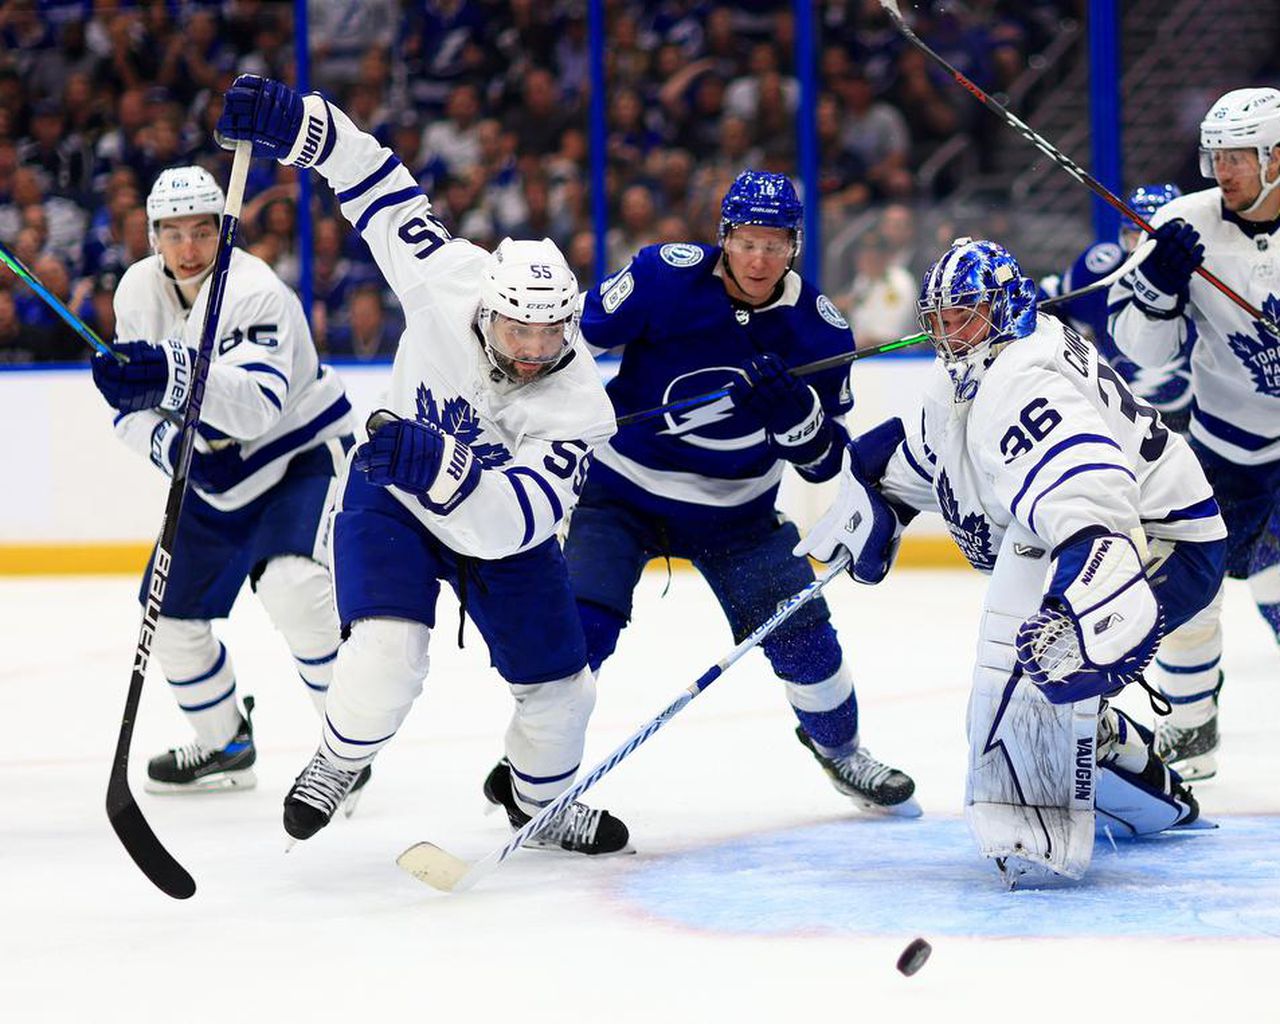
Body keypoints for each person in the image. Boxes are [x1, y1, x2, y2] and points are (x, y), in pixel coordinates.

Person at [215, 75, 630, 855]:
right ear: (489, 308)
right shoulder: (448, 278)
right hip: (392, 497)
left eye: (550, 334)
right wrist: (298, 123)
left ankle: (539, 806)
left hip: (490, 529)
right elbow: (376, 182)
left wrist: (442, 466)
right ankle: (340, 759)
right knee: (386, 655)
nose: (535, 351)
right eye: (518, 331)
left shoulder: (578, 404)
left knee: (563, 693)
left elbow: (518, 521)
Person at [487, 169, 920, 817]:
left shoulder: (819, 329)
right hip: (622, 493)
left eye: (775, 244)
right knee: (580, 629)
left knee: (805, 637)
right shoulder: (665, 277)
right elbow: (574, 337)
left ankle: (842, 752)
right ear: (724, 237)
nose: (759, 258)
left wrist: (795, 415)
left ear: (794, 246)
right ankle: (533, 764)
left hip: (737, 514)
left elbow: (823, 462)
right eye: (748, 240)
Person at [797, 238, 1227, 886]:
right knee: (1044, 654)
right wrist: (876, 491)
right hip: (1106, 529)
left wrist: (1083, 596)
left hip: (1161, 541)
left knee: (1036, 660)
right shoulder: (978, 369)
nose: (949, 333)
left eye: (965, 314)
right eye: (939, 319)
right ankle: (1148, 793)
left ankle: (1036, 833)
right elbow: (933, 452)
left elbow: (1091, 487)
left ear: (1003, 308)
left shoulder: (1022, 377)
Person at [89, 166, 358, 796]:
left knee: (295, 589)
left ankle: (347, 749)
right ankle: (224, 743)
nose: (188, 250)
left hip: (297, 454)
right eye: (173, 234)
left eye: (203, 232)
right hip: (213, 472)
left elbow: (259, 405)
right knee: (170, 620)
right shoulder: (136, 291)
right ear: (152, 235)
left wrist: (170, 373)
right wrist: (164, 435)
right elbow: (132, 414)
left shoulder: (255, 291)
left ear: (224, 232)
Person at [1109, 87, 1280, 780]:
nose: (1225, 170)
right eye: (1218, 156)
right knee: (1185, 583)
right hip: (1223, 447)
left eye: (1240, 156)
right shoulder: (1184, 225)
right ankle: (1189, 725)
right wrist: (1155, 288)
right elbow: (1139, 350)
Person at [1042, 183, 1194, 432]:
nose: (1142, 246)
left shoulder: (1202, 275)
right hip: (1122, 423)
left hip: (1199, 423)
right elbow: (1051, 307)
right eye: (1136, 235)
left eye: (1155, 237)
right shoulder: (1100, 268)